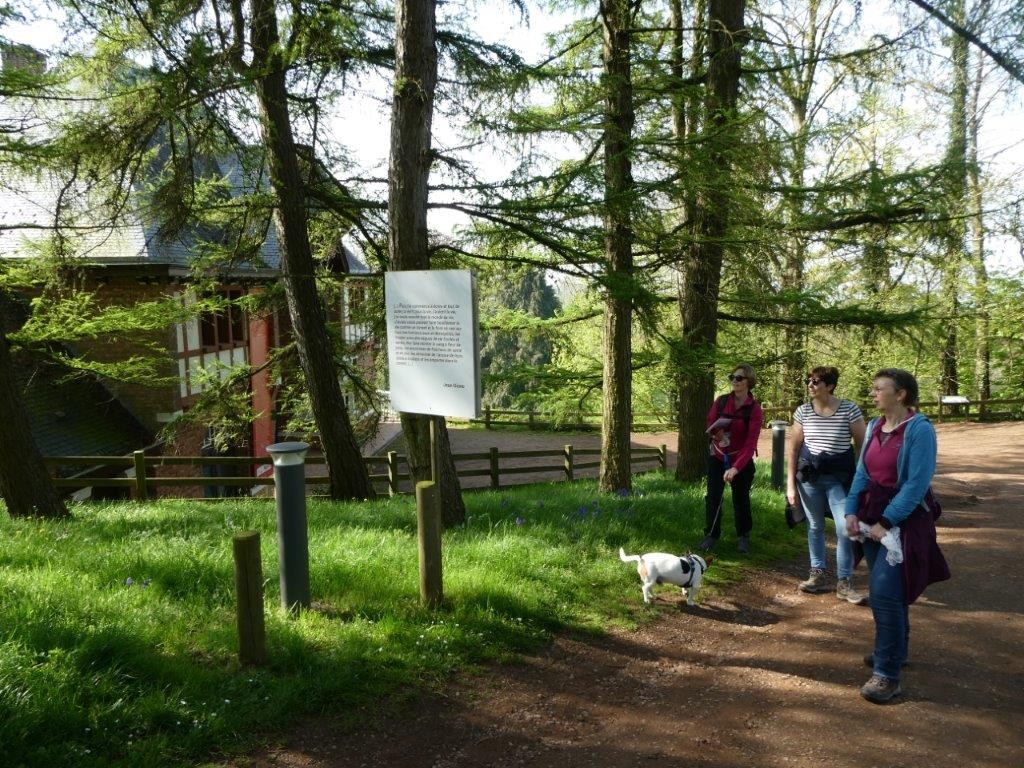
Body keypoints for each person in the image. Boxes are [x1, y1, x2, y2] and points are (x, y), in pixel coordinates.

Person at [844, 368, 950, 704]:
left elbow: (916, 484)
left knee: (885, 594)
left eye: (879, 389)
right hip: (872, 517)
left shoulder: (919, 430)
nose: (873, 394)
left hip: (902, 521)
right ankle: (897, 651)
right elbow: (862, 472)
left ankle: (888, 675)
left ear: (900, 394)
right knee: (890, 590)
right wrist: (850, 511)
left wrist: (887, 522)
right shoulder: (875, 426)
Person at [786, 366, 868, 604]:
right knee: (814, 526)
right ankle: (817, 574)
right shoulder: (803, 411)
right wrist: (790, 485)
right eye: (809, 381)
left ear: (829, 386)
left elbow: (862, 446)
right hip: (810, 479)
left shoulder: (849, 409)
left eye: (815, 382)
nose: (810, 385)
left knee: (844, 529)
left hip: (838, 479)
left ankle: (845, 582)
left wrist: (860, 479)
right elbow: (792, 449)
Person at [701, 364, 763, 554]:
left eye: (739, 378)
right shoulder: (721, 402)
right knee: (713, 497)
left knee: (741, 499)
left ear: (749, 382)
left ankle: (743, 536)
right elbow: (710, 423)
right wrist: (717, 435)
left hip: (741, 460)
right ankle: (711, 535)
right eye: (732, 377)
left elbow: (750, 443)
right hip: (718, 457)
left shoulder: (754, 409)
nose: (734, 381)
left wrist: (736, 468)